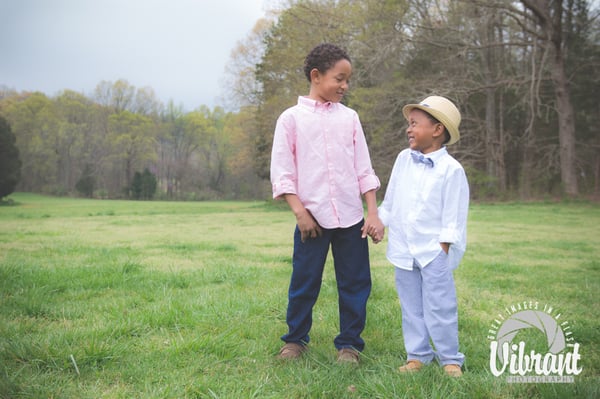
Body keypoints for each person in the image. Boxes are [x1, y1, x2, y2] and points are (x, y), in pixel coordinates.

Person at [270, 43, 384, 364]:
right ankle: (295, 340)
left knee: (355, 283)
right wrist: (299, 211)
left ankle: (349, 345)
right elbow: (283, 171)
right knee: (304, 281)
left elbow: (364, 167)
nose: (345, 86)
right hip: (312, 219)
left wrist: (371, 212)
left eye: (348, 80)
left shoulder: (349, 118)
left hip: (350, 218)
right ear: (316, 76)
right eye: (339, 78)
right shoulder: (291, 119)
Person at [377, 95, 469, 377]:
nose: (409, 129)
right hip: (404, 248)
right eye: (409, 124)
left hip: (433, 251)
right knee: (411, 306)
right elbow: (390, 201)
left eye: (415, 124)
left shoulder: (451, 170)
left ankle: (450, 358)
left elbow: (453, 216)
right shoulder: (403, 159)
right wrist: (378, 222)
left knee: (440, 306)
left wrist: (442, 247)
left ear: (437, 130)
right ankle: (417, 355)